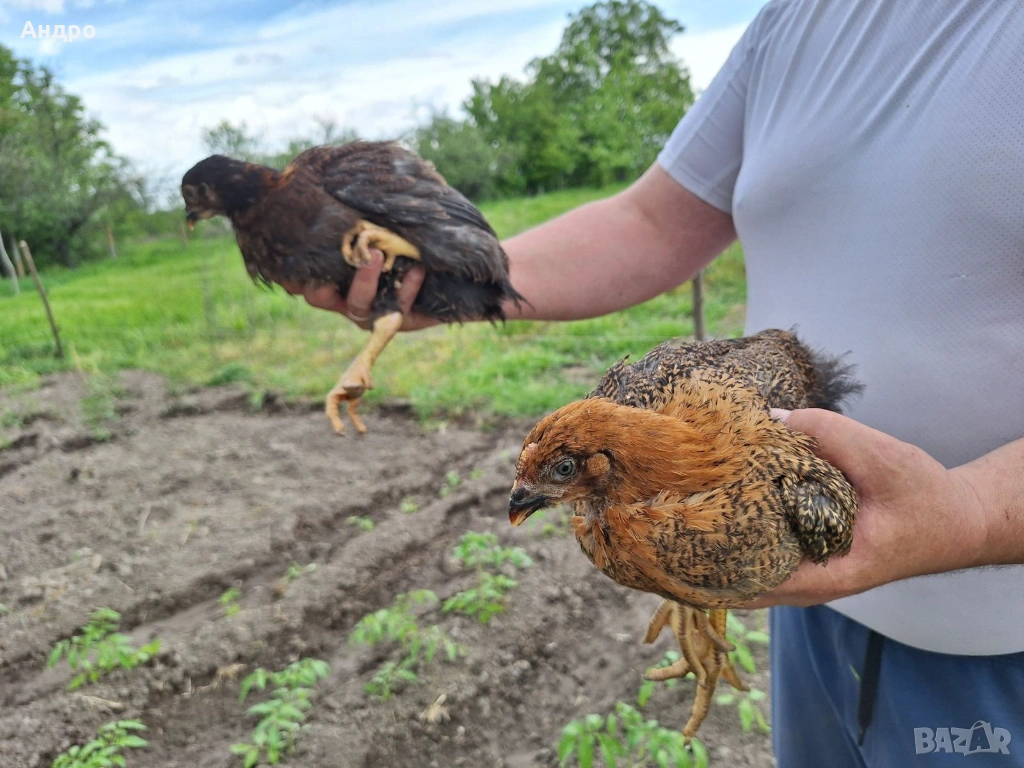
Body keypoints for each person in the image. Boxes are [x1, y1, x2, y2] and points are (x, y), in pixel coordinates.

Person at [286, 1, 1024, 764]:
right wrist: (453, 280)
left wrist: (971, 514)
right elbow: (656, 220)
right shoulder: (794, 21)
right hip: (810, 609)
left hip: (997, 641)